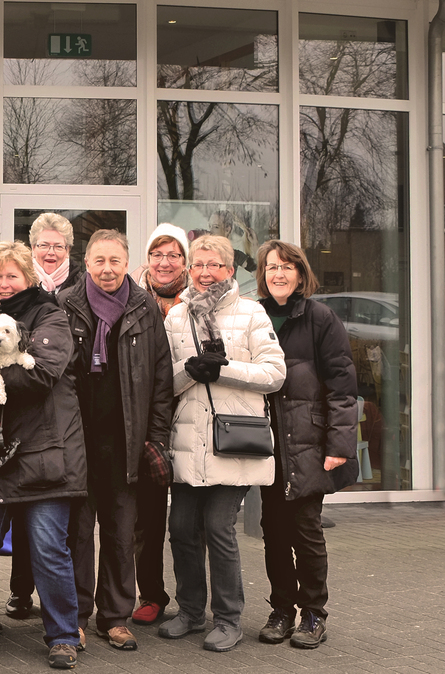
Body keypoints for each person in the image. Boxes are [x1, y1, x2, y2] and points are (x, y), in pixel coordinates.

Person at [0, 241, 84, 670]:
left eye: (12, 275)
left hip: (41, 452)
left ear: (29, 277)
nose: (4, 283)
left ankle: (63, 635)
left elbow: (42, 375)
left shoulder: (50, 316)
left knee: (48, 549)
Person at [159, 235, 286, 653]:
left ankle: (229, 619)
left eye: (214, 265)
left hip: (235, 441)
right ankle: (191, 612)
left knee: (218, 527)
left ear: (230, 270)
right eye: (198, 265)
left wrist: (225, 369)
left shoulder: (251, 312)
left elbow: (275, 374)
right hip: (188, 441)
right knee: (181, 529)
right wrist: (189, 370)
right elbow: (163, 382)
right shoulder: (177, 315)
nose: (205, 272)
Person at [58, 230, 174, 652]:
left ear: (127, 263)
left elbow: (161, 379)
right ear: (86, 262)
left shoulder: (145, 307)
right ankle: (74, 618)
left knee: (121, 536)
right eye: (99, 260)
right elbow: (57, 376)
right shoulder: (66, 304)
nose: (107, 269)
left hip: (127, 443)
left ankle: (115, 617)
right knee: (76, 536)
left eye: (115, 261)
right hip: (78, 443)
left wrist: (155, 438)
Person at [255, 240, 357, 650]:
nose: (278, 274)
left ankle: (314, 613)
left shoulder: (320, 318)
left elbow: (342, 388)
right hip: (267, 445)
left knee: (306, 531)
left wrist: (339, 444)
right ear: (263, 274)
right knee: (273, 532)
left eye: (286, 267)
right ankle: (282, 609)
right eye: (271, 267)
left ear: (300, 274)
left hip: (309, 443)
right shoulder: (255, 315)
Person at [129, 223, 190, 626]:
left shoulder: (198, 301)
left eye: (173, 255)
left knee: (188, 523)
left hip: (190, 424)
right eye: (157, 254)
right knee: (146, 520)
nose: (164, 262)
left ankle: (193, 601)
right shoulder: (133, 301)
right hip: (147, 424)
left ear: (184, 261)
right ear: (147, 259)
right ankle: (151, 594)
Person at [29, 213, 80, 294]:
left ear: (68, 250)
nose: (51, 252)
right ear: (33, 248)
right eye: (44, 245)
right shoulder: (20, 283)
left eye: (58, 246)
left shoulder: (82, 286)